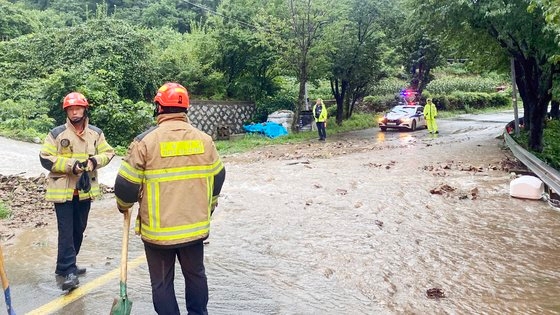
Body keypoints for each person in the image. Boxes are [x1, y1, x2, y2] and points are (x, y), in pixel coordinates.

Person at [114, 82, 226, 315]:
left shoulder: (145, 142)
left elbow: (126, 186)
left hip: (159, 232)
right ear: (185, 108)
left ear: (158, 108)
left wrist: (123, 206)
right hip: (194, 227)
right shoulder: (204, 140)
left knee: (162, 282)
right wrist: (210, 206)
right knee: (196, 275)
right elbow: (219, 175)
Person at [39, 92, 115, 291]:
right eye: (71, 109)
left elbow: (109, 153)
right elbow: (45, 158)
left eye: (78, 108)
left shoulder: (96, 133)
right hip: (62, 191)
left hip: (84, 190)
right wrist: (71, 165)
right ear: (66, 111)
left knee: (78, 230)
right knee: (66, 232)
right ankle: (69, 270)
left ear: (84, 109)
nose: (74, 112)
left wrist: (93, 162)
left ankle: (64, 265)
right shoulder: (56, 134)